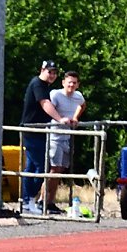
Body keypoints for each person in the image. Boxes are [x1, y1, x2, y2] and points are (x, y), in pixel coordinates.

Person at [19, 59, 59, 214]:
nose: (52, 75)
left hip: (38, 131)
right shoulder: (37, 84)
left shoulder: (44, 86)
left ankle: (26, 201)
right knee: (41, 167)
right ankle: (28, 199)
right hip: (32, 131)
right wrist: (60, 119)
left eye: (54, 73)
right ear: (42, 70)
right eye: (50, 72)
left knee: (30, 167)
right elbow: (45, 103)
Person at [46, 70, 86, 213]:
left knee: (61, 169)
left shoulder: (78, 96)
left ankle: (50, 201)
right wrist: (60, 119)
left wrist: (75, 117)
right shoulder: (56, 94)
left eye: (74, 83)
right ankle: (42, 200)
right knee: (54, 169)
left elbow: (83, 105)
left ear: (78, 84)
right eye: (69, 82)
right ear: (63, 82)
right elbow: (47, 107)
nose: (71, 85)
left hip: (67, 137)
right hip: (55, 135)